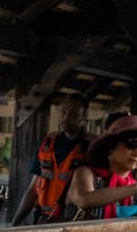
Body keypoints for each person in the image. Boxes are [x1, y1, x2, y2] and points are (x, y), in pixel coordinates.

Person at [18, 94, 91, 225]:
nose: (66, 118)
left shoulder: (91, 148)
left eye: (73, 114)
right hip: (43, 218)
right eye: (63, 112)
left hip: (73, 222)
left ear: (85, 119)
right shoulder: (48, 143)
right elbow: (33, 189)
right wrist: (15, 224)